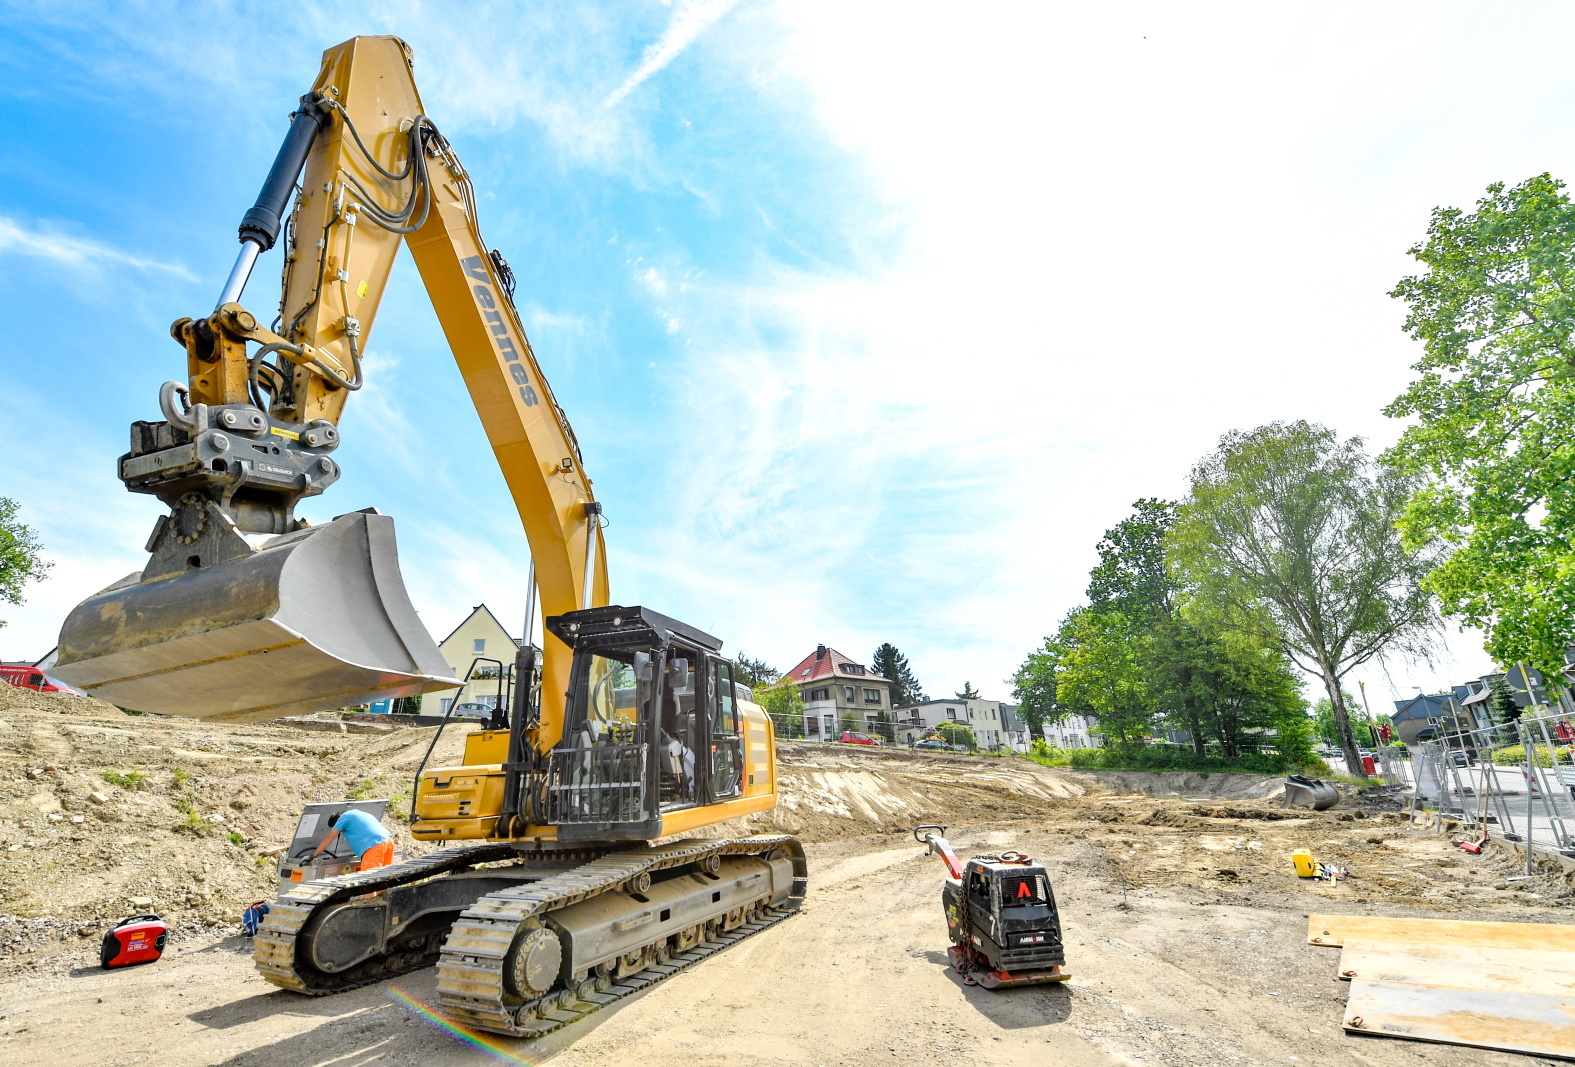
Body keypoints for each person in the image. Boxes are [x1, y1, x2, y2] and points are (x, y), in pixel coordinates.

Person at [312, 808, 395, 871]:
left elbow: (329, 837)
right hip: (388, 841)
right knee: (384, 878)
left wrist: (313, 856)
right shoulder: (357, 813)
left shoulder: (344, 818)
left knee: (369, 881)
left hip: (374, 846)